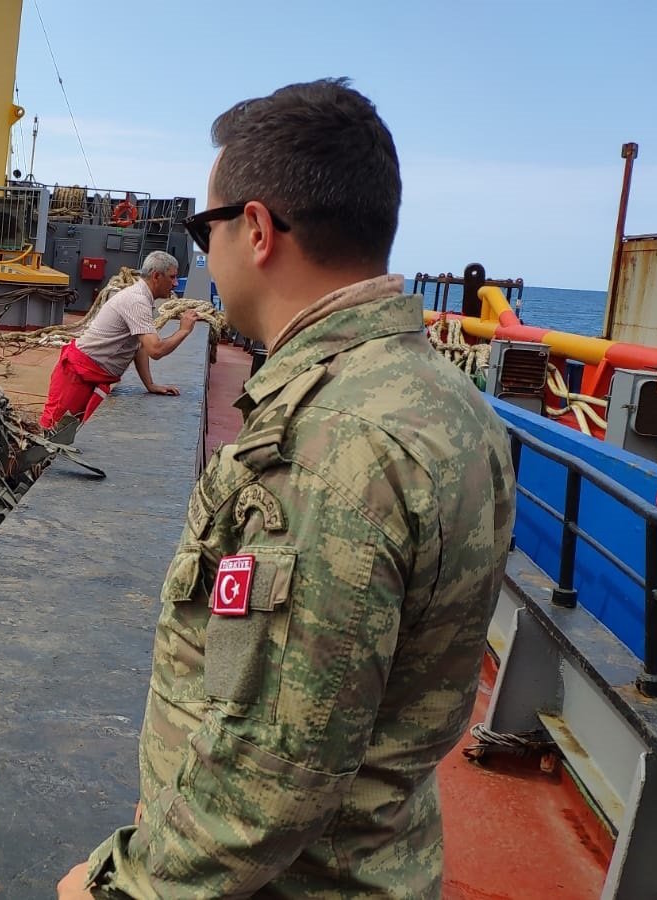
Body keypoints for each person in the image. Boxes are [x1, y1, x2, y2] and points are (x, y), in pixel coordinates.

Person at [59, 78, 515, 898]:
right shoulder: (448, 403)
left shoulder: (327, 447)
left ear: (258, 228)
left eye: (208, 227)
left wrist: (120, 885)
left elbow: (275, 772)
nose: (206, 252)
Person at [38, 251, 197, 436]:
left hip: (88, 374)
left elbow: (139, 346)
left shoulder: (142, 299)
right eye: (172, 277)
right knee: (52, 433)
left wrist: (150, 385)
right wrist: (184, 330)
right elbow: (155, 349)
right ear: (156, 276)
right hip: (77, 375)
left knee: (68, 433)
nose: (176, 283)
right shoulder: (137, 301)